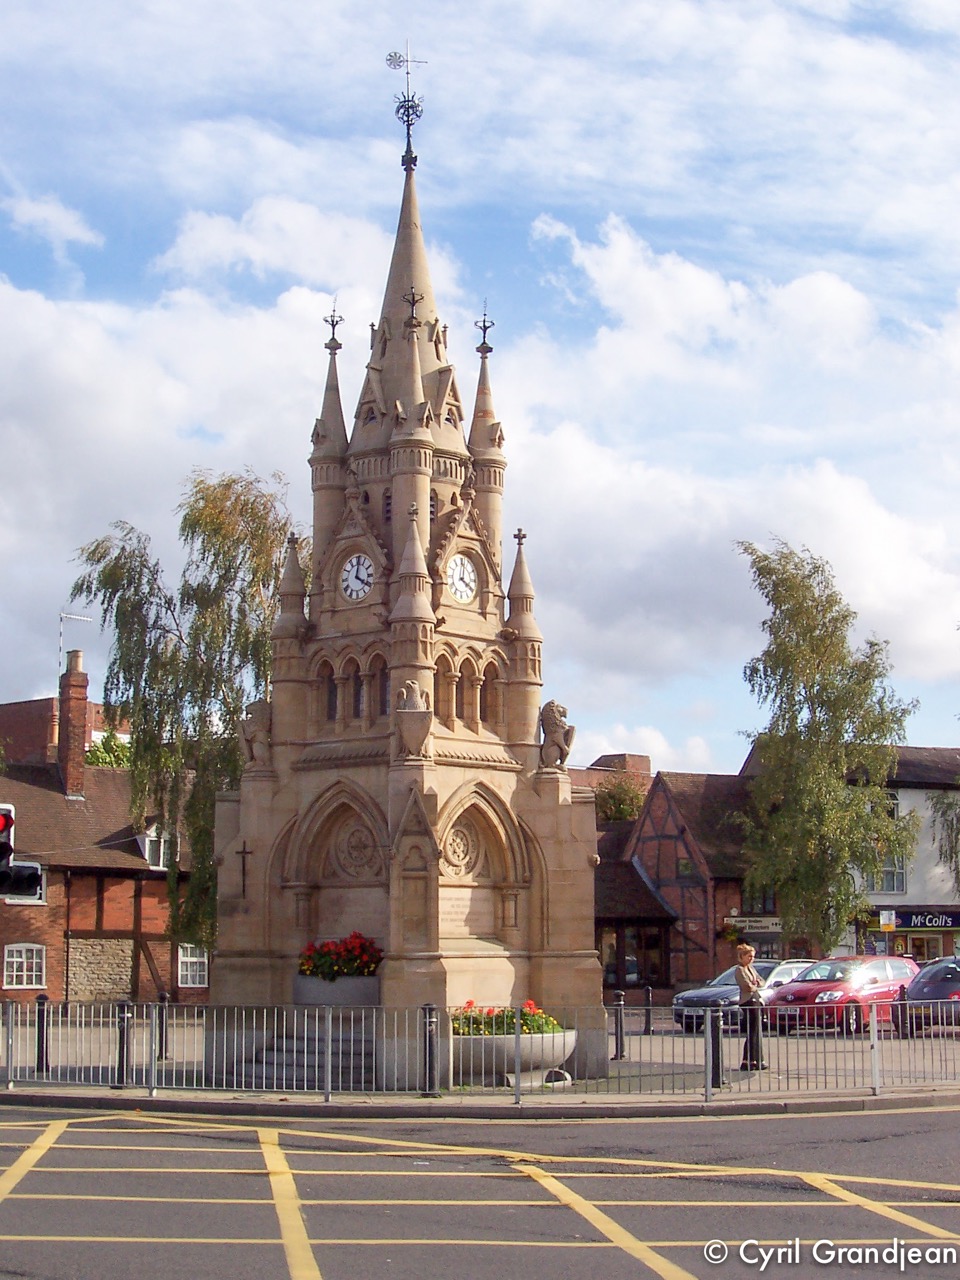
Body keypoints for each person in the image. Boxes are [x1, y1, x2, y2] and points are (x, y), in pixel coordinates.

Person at [735, 943, 767, 1071]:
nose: (751, 959)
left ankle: (757, 1060)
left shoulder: (751, 969)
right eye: (749, 956)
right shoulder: (739, 970)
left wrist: (756, 984)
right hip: (748, 1001)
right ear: (742, 956)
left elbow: (762, 981)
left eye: (753, 957)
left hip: (756, 1000)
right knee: (752, 1031)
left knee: (757, 1031)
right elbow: (746, 986)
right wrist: (755, 985)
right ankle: (747, 1061)